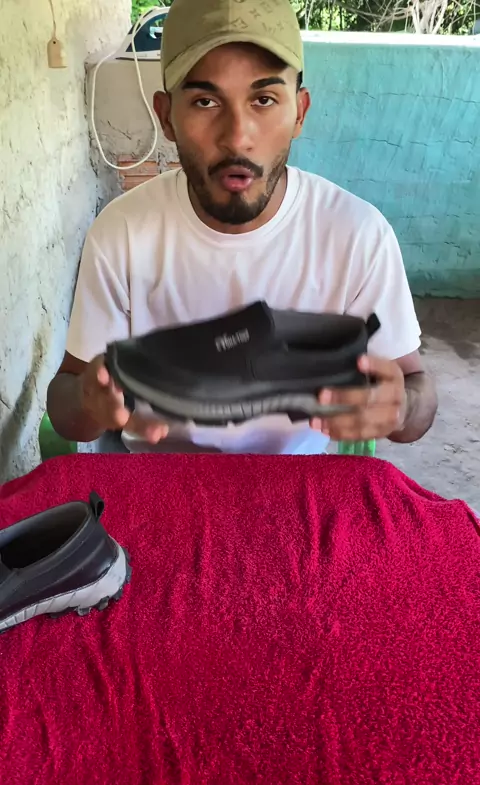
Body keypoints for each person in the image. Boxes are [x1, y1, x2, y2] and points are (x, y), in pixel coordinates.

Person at [47, 0, 437, 456]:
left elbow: (415, 389)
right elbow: (67, 408)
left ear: (299, 112)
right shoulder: (122, 232)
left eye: (264, 100)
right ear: (166, 116)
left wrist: (402, 407)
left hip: (294, 482)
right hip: (158, 480)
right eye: (205, 102)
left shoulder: (357, 236)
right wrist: (90, 401)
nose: (237, 136)